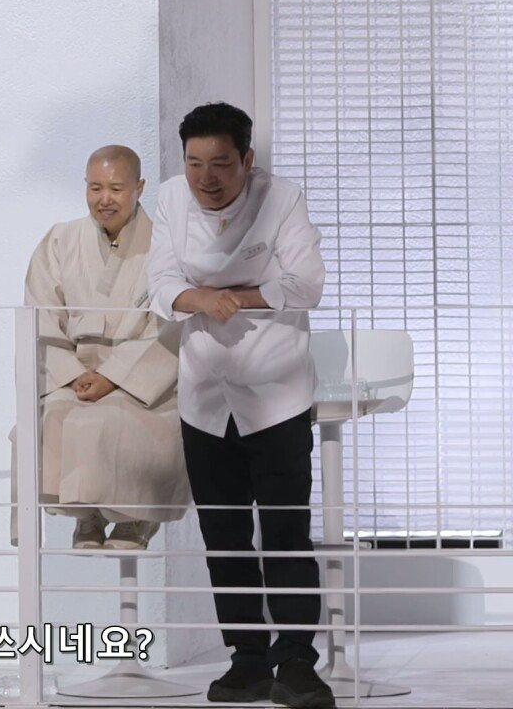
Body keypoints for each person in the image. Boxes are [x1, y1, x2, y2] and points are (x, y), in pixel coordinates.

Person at [147, 102, 333, 709]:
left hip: (276, 395)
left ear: (247, 160)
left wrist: (232, 296)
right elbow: (160, 287)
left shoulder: (282, 199)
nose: (206, 178)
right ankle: (247, 661)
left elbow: (306, 284)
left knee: (285, 531)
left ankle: (297, 662)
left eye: (221, 163)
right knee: (223, 535)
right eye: (195, 162)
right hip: (204, 397)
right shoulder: (171, 201)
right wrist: (199, 297)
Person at [15, 145, 187, 551]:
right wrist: (74, 374)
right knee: (49, 419)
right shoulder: (61, 240)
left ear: (139, 188)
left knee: (110, 420)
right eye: (95, 188)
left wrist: (112, 376)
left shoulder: (167, 245)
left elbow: (172, 326)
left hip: (142, 382)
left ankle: (135, 517)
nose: (104, 199)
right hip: (73, 377)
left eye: (116, 188)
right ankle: (86, 514)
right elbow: (40, 316)